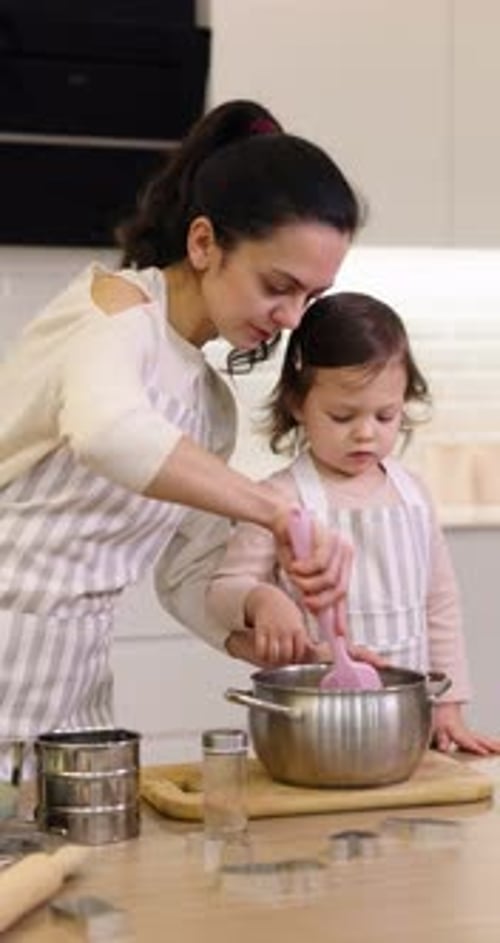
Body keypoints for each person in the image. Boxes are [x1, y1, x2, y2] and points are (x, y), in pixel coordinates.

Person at [0, 99, 362, 778]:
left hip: (69, 708)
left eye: (310, 298)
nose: (289, 319)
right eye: (277, 285)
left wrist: (258, 613)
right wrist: (277, 510)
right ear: (204, 243)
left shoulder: (207, 404)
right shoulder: (114, 309)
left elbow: (188, 572)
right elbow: (108, 430)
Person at [207, 292, 500, 755]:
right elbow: (222, 591)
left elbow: (439, 604)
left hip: (407, 725)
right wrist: (257, 599)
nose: (366, 432)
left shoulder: (413, 493)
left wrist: (449, 705)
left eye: (386, 415)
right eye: (342, 416)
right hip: (314, 726)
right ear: (298, 404)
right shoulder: (279, 499)